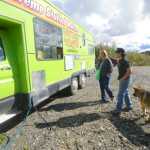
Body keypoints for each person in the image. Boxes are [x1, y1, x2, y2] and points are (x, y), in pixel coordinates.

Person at [113, 48, 132, 115]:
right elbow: (116, 62)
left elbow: (129, 72)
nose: (116, 54)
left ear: (121, 53)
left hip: (125, 79)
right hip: (122, 79)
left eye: (117, 52)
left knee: (120, 94)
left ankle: (118, 110)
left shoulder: (125, 61)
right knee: (125, 92)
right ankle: (129, 106)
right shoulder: (120, 60)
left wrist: (123, 78)